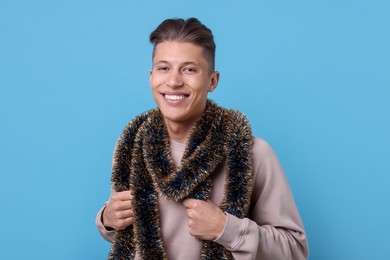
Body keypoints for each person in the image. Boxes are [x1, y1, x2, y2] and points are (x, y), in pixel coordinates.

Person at [96, 17, 309, 260]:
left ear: (212, 81)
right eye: (164, 68)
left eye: (189, 69)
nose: (174, 81)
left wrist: (226, 229)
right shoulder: (132, 145)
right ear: (151, 76)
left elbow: (294, 250)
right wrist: (107, 220)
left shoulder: (253, 153)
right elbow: (131, 235)